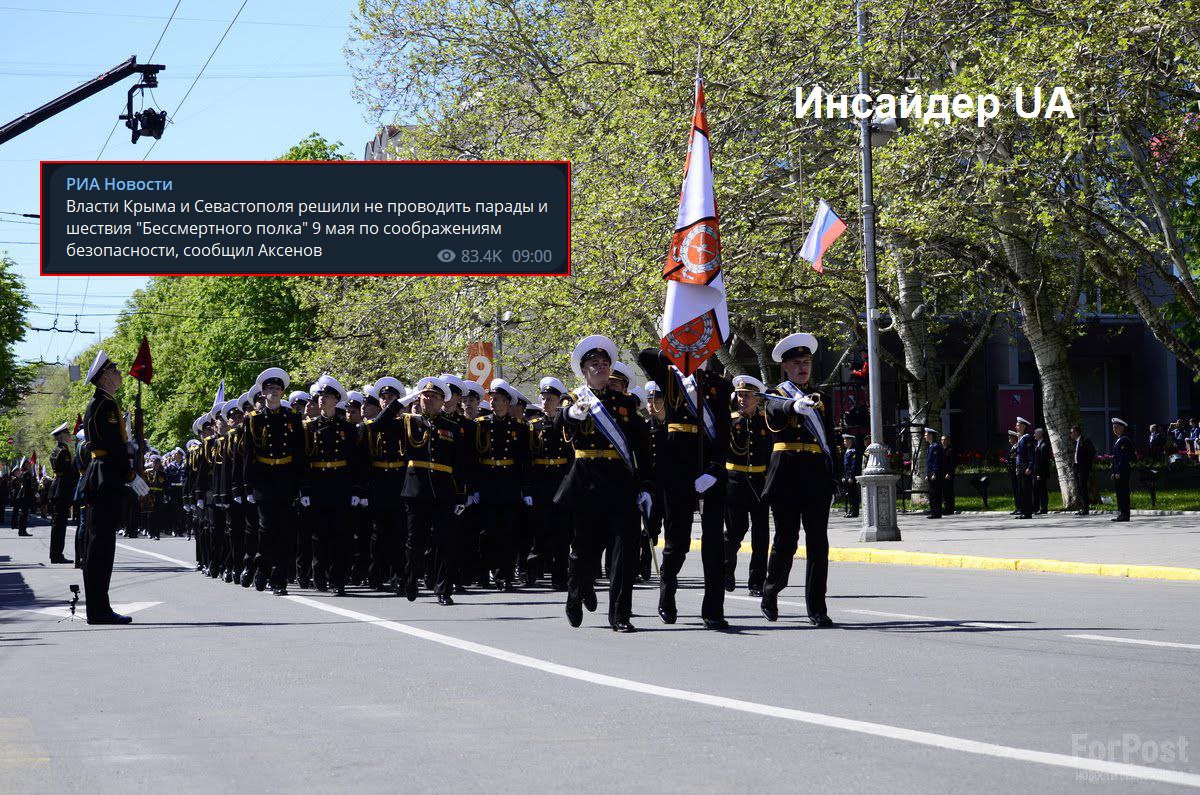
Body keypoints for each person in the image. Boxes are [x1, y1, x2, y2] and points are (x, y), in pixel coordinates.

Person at [556, 335, 652, 633]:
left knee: (624, 552)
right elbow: (559, 424)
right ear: (584, 370)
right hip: (587, 482)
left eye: (604, 363)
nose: (600, 368)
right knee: (584, 548)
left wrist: (645, 485)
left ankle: (620, 614)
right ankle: (576, 590)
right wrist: (571, 415)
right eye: (594, 364)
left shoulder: (624, 403)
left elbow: (642, 447)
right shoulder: (574, 399)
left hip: (620, 484)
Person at [637, 345, 732, 630]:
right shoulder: (670, 376)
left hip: (709, 469)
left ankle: (713, 610)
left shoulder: (720, 386)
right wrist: (679, 353)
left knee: (714, 543)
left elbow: (724, 431)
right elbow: (644, 356)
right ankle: (668, 593)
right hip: (676, 466)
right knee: (678, 540)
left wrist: (715, 470)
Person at [760, 333, 836, 627]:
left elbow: (829, 439)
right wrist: (793, 406)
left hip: (816, 476)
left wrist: (835, 476)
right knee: (786, 541)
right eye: (796, 363)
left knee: (819, 544)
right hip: (787, 478)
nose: (803, 367)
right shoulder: (776, 394)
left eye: (806, 362)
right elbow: (775, 411)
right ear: (786, 368)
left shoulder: (821, 399)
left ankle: (817, 608)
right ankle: (771, 591)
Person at [80, 350, 151, 625]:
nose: (120, 374)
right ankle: (99, 609)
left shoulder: (101, 403)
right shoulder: (106, 405)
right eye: (116, 370)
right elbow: (112, 445)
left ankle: (98, 607)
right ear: (106, 376)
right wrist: (130, 473)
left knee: (100, 542)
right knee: (101, 545)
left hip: (103, 472)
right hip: (107, 473)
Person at [399, 376, 472, 605]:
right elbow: (381, 422)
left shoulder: (452, 427)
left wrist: (461, 495)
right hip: (416, 490)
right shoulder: (409, 421)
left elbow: (460, 465)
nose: (428, 399)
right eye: (425, 395)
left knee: (445, 541)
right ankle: (411, 580)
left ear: (443, 401)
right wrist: (406, 399)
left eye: (434, 397)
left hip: (444, 491)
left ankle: (443, 589)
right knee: (415, 540)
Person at [242, 368, 306, 594]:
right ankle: (262, 567)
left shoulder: (292, 418)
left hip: (286, 478)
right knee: (266, 528)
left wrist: (301, 485)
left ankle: (279, 579)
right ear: (263, 393)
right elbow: (248, 455)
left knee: (285, 531)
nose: (274, 392)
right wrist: (248, 485)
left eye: (278, 389)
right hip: (264, 479)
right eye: (270, 389)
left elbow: (300, 454)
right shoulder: (253, 420)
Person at [301, 375, 364, 596]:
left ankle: (338, 580)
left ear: (336, 400)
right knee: (319, 535)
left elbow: (357, 461)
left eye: (326, 397)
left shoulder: (348, 428)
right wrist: (305, 489)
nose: (321, 400)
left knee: (341, 535)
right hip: (318, 483)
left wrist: (356, 489)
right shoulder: (308, 427)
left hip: (340, 484)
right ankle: (319, 576)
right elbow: (304, 461)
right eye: (319, 396)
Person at [472, 379, 531, 591]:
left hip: (509, 484)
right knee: (488, 532)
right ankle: (485, 571)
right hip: (487, 481)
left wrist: (526, 489)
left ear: (507, 402)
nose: (493, 403)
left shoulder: (518, 427)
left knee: (508, 532)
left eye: (497, 399)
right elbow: (473, 459)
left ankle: (504, 575)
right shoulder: (481, 424)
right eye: (492, 399)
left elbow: (524, 461)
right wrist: (474, 487)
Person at [723, 375, 771, 596]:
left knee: (761, 536)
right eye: (740, 395)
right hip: (735, 481)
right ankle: (726, 571)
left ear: (757, 399)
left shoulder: (765, 423)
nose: (742, 399)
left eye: (747, 396)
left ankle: (756, 582)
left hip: (759, 482)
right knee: (735, 532)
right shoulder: (730, 421)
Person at [360, 376, 408, 593]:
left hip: (398, 480)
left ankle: (399, 576)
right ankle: (375, 575)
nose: (387, 401)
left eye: (391, 397)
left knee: (399, 533)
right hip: (378, 481)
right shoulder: (370, 426)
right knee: (378, 534)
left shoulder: (405, 424)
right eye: (384, 398)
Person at [528, 377, 572, 589]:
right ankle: (532, 571)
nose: (545, 403)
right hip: (541, 481)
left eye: (550, 399)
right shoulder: (533, 426)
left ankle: (560, 576)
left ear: (558, 401)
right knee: (540, 529)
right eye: (543, 398)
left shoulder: (566, 425)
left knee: (561, 533)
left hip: (561, 480)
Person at [48, 421, 78, 562]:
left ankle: (55, 554)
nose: (68, 435)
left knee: (57, 524)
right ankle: (57, 555)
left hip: (57, 488)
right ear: (60, 436)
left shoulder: (57, 450)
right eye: (66, 433)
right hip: (62, 489)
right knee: (60, 525)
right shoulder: (63, 451)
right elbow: (68, 472)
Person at [1069, 425, 1096, 516]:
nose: (1071, 434)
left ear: (1076, 432)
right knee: (1079, 488)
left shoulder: (1085, 441)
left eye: (1072, 432)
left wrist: (1086, 465)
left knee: (1083, 487)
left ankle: (1085, 509)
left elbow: (1092, 452)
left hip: (1083, 468)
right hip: (1076, 468)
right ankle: (1082, 508)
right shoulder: (1075, 442)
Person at [1111, 417, 1132, 522]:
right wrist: (1113, 472)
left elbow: (1123, 459)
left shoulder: (1124, 440)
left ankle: (1125, 514)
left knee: (1123, 493)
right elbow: (1115, 458)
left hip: (1123, 471)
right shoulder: (1118, 440)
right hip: (1117, 472)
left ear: (1122, 428)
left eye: (1116, 427)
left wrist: (1119, 471)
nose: (1114, 429)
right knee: (1119, 493)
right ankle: (1121, 514)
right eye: (1113, 427)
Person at [1014, 417, 1035, 520]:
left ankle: (1027, 512)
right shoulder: (1021, 438)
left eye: (1017, 425)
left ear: (1023, 426)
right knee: (1021, 490)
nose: (1016, 426)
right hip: (1020, 467)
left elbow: (1031, 454)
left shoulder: (1027, 438)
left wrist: (1030, 467)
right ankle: (1023, 511)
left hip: (1025, 467)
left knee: (1026, 490)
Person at [840, 433, 862, 519]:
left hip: (851, 477)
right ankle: (850, 510)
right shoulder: (846, 452)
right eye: (844, 440)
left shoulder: (854, 452)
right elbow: (845, 466)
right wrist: (844, 476)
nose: (844, 442)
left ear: (851, 441)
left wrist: (852, 477)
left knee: (853, 494)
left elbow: (854, 466)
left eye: (846, 440)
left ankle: (854, 511)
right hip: (847, 477)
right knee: (849, 494)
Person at [924, 429, 943, 519]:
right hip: (930, 473)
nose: (924, 435)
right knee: (932, 493)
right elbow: (929, 463)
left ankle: (937, 512)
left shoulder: (936, 447)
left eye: (926, 434)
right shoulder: (931, 446)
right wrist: (927, 474)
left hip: (935, 474)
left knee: (936, 493)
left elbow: (936, 462)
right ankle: (934, 511)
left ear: (931, 435)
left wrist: (934, 473)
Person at [1033, 427, 1051, 514]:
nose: (1034, 435)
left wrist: (1039, 474)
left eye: (1035, 433)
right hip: (1037, 473)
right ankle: (1037, 507)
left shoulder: (1044, 445)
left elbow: (1043, 462)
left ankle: (1044, 508)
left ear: (1040, 434)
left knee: (1042, 491)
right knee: (1037, 490)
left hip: (1041, 473)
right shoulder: (1038, 444)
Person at [940, 434, 958, 515]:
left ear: (948, 441)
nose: (943, 441)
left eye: (945, 440)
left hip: (948, 474)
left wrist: (949, 473)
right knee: (944, 492)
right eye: (942, 440)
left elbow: (953, 463)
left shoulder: (951, 450)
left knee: (949, 492)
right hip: (942, 473)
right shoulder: (941, 450)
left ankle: (950, 508)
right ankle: (946, 507)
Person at [1005, 429, 1020, 515]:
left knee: (1018, 491)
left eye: (1010, 438)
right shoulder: (1013, 447)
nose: (1009, 440)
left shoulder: (1018, 447)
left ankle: (1020, 507)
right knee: (1015, 491)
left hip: (1016, 473)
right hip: (1013, 474)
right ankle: (1017, 507)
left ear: (1015, 438)